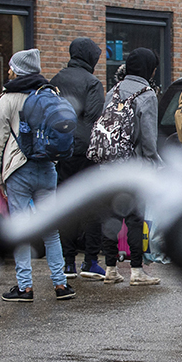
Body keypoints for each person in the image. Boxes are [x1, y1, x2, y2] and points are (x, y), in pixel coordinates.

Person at [0, 49, 74, 302]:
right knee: (51, 230)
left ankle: (25, 287)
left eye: (11, 67)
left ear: (18, 70)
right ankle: (61, 284)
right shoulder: (50, 93)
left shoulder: (8, 99)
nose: (8, 71)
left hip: (18, 170)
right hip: (47, 167)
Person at [98, 47, 163, 287]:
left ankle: (110, 268)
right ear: (149, 69)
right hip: (134, 167)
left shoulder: (113, 90)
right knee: (136, 218)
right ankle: (136, 271)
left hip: (110, 164)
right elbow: (148, 140)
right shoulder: (147, 94)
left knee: (112, 216)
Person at [49, 38, 106, 281]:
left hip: (60, 151)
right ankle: (90, 261)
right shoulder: (93, 83)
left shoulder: (56, 80)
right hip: (86, 151)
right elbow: (94, 117)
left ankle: (68, 263)